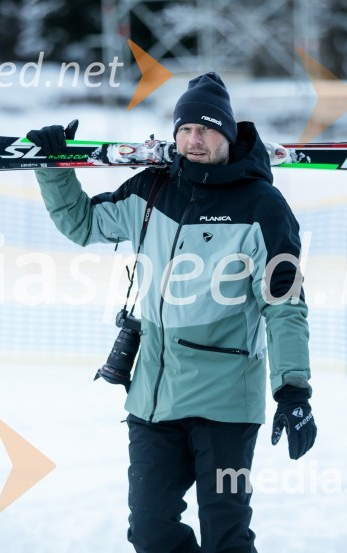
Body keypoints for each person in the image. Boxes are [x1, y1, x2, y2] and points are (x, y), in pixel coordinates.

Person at [28, 72, 316, 553]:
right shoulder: (152, 190)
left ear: (227, 134)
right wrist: (55, 167)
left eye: (205, 129)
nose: (194, 140)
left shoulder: (263, 206)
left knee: (226, 535)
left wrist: (293, 390)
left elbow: (284, 305)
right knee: (150, 533)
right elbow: (82, 224)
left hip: (226, 408)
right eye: (185, 130)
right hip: (152, 404)